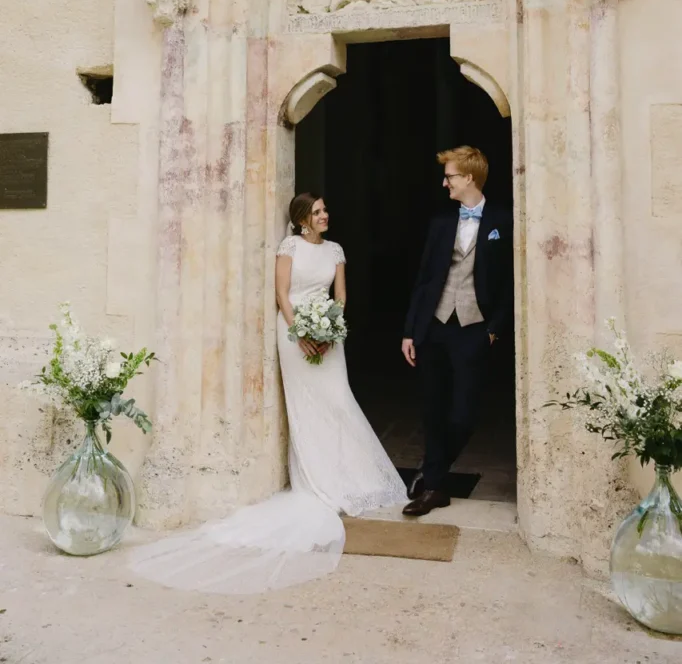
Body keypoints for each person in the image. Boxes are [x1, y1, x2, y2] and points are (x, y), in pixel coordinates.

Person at [129, 193, 405, 594]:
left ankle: (346, 477)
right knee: (306, 405)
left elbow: (340, 296)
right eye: (318, 211)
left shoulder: (336, 250)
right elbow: (282, 293)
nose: (326, 215)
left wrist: (330, 328)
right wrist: (301, 332)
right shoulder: (289, 247)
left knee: (338, 401)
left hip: (329, 336)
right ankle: (316, 480)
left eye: (326, 209)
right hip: (294, 334)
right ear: (301, 220)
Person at [401, 147, 513, 517]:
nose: (444, 182)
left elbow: (512, 281)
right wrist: (410, 331)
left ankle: (431, 471)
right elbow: (423, 279)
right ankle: (433, 486)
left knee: (463, 414)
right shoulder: (441, 222)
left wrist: (494, 329)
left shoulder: (504, 220)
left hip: (474, 328)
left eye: (449, 176)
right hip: (434, 325)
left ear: (469, 178)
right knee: (433, 408)